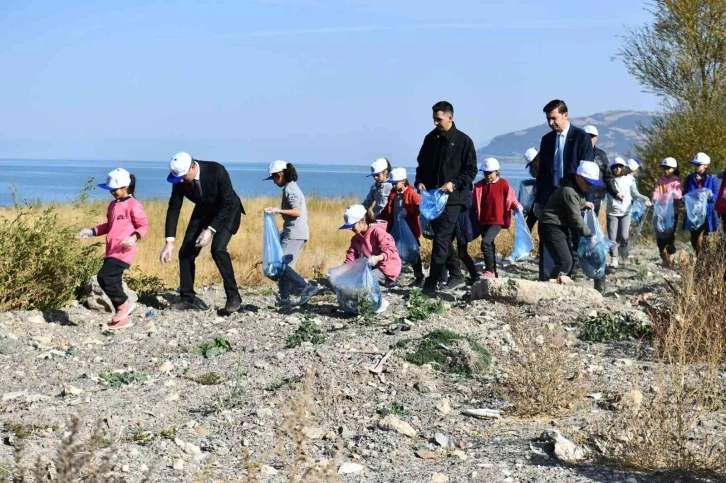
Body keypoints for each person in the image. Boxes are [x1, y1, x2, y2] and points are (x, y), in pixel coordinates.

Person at [161, 152, 245, 313]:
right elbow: (174, 207)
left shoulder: (216, 170)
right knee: (185, 252)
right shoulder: (179, 178)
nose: (181, 181)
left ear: (192, 166)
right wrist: (169, 242)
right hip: (204, 210)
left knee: (218, 249)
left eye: (184, 176)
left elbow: (227, 202)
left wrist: (210, 230)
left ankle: (234, 297)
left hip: (228, 210)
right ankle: (187, 298)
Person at [414, 101, 478, 296]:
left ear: (450, 118)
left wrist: (454, 183)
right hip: (432, 198)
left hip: (454, 199)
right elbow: (421, 165)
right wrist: (420, 181)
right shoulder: (429, 139)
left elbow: (471, 170)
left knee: (441, 238)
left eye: (439, 119)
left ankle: (432, 282)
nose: (435, 122)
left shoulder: (464, 141)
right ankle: (457, 274)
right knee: (439, 237)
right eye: (434, 118)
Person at [79, 168, 148, 330]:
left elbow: (143, 226)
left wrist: (133, 238)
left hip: (123, 251)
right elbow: (109, 226)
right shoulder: (113, 205)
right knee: (113, 280)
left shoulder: (133, 205)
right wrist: (92, 231)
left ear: (125, 187)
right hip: (111, 250)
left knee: (104, 277)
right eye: (110, 190)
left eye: (114, 189)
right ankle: (122, 318)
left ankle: (124, 304)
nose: (111, 192)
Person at [534, 100, 594, 281]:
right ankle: (546, 278)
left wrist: (586, 200)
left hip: (573, 195)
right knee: (551, 237)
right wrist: (538, 199)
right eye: (548, 119)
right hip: (551, 197)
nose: (551, 123)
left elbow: (587, 170)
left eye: (554, 118)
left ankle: (571, 275)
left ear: (565, 115)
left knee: (575, 237)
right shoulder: (547, 140)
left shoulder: (581, 137)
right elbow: (542, 172)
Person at [538, 161, 605, 292]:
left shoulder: (573, 188)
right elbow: (575, 218)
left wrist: (585, 203)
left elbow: (577, 200)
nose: (590, 185)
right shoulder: (568, 191)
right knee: (565, 262)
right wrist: (590, 235)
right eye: (588, 181)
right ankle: (551, 290)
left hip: (559, 226)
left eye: (592, 183)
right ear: (578, 176)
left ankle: (556, 287)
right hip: (551, 226)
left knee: (568, 261)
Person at [263, 160, 320, 308]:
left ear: (281, 174)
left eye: (275, 177)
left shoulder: (290, 189)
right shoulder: (290, 187)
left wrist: (277, 210)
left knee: (279, 265)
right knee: (284, 267)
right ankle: (284, 298)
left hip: (295, 233)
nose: (274, 182)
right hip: (292, 231)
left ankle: (306, 287)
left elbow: (297, 211)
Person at [341, 204, 401, 312]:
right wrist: (343, 269)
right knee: (354, 281)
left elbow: (391, 250)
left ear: (362, 220)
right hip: (372, 267)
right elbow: (351, 255)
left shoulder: (377, 231)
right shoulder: (356, 239)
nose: (350, 228)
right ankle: (362, 304)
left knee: (364, 282)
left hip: (387, 267)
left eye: (352, 225)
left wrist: (377, 258)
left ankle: (380, 302)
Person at [472, 157, 523, 279]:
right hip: (483, 221)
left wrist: (518, 206)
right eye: (485, 173)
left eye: (490, 173)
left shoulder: (503, 184)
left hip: (497, 221)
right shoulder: (479, 186)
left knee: (486, 243)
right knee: (489, 245)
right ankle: (493, 272)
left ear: (497, 172)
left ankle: (489, 270)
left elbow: (511, 198)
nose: (488, 175)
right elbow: (473, 202)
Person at [379, 167, 425, 285]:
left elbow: (420, 206)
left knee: (413, 253)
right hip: (395, 230)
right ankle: (391, 277)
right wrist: (377, 218)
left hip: (410, 231)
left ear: (403, 181)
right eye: (392, 183)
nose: (393, 185)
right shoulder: (393, 195)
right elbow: (387, 211)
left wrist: (408, 211)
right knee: (393, 253)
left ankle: (419, 276)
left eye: (395, 183)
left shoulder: (412, 194)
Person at [606, 157, 651, 267]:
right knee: (612, 237)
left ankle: (624, 252)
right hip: (612, 212)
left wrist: (644, 199)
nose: (617, 169)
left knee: (624, 236)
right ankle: (614, 258)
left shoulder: (629, 179)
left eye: (620, 167)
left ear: (624, 168)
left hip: (626, 212)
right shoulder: (609, 180)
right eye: (615, 167)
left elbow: (635, 194)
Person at [682, 152, 721, 254]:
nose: (696, 167)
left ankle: (704, 261)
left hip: (708, 212)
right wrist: (685, 198)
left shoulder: (712, 179)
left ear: (706, 166)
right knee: (694, 239)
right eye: (695, 164)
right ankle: (699, 256)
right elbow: (685, 193)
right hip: (694, 213)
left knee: (706, 239)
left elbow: (717, 197)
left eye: (698, 165)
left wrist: (711, 196)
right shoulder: (689, 179)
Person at [652, 157, 683, 267]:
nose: (666, 170)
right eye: (664, 168)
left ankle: (671, 255)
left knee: (670, 234)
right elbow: (656, 192)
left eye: (668, 168)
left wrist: (675, 194)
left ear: (674, 169)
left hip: (672, 212)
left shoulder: (676, 180)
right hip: (660, 211)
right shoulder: (660, 180)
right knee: (660, 233)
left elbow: (680, 195)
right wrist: (655, 198)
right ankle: (662, 253)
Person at [583, 125, 620, 216]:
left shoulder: (601, 155)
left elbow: (608, 177)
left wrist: (615, 193)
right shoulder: (575, 153)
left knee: (591, 226)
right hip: (579, 197)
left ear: (596, 138)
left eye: (591, 136)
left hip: (596, 198)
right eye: (586, 136)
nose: (589, 139)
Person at [521, 148, 539, 232]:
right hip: (538, 203)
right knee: (528, 225)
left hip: (541, 203)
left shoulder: (542, 170)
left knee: (529, 225)